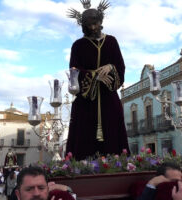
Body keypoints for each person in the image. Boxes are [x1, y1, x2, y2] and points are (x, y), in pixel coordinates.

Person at [65, 0, 130, 160]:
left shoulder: (112, 41)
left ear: (100, 21)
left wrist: (111, 68)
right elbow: (74, 71)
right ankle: (80, 169)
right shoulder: (78, 45)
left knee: (114, 135)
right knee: (83, 136)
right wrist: (94, 75)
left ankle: (117, 167)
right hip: (86, 102)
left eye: (95, 24)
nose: (93, 28)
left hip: (109, 99)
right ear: (84, 25)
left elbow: (121, 67)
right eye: (88, 25)